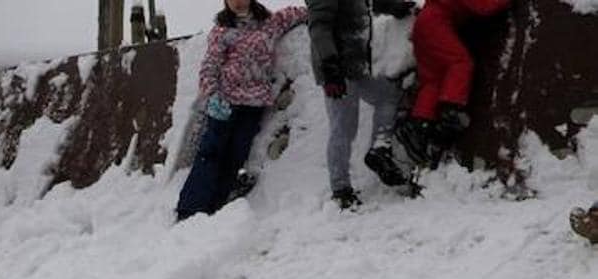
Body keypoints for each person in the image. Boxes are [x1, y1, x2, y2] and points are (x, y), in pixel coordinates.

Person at [176, 0, 308, 221]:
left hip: (254, 105)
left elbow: (298, 13)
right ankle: (189, 211)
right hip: (225, 103)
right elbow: (209, 67)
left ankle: (215, 208)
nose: (237, 2)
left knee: (235, 156)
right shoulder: (222, 30)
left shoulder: (269, 23)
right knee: (210, 154)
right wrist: (212, 96)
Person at [306, 0, 418, 209]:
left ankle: (379, 149)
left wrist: (395, 7)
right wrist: (330, 68)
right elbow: (319, 27)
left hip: (357, 67)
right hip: (337, 72)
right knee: (344, 128)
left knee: (388, 95)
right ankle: (341, 190)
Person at [395, 0, 511, 168]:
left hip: (424, 26)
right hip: (436, 24)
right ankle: (451, 109)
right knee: (461, 62)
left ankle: (421, 125)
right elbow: (484, 7)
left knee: (433, 80)